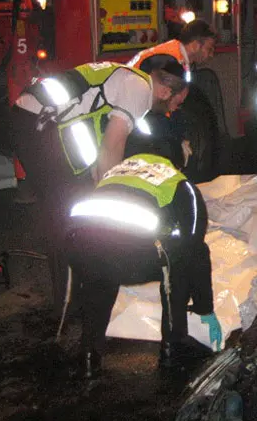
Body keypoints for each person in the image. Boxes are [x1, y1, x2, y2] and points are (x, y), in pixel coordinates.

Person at [11, 55, 190, 310]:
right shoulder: (140, 89)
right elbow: (113, 144)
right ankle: (69, 301)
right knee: (64, 208)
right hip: (38, 120)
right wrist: (113, 196)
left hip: (35, 117)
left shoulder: (125, 82)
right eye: (175, 101)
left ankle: (79, 286)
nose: (173, 109)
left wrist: (100, 180)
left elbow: (100, 143)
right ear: (163, 89)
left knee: (74, 201)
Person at [66, 141, 219, 378]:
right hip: (129, 255)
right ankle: (173, 346)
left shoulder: (119, 170)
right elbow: (194, 247)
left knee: (100, 273)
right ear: (177, 162)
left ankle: (88, 355)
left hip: (79, 248)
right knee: (179, 260)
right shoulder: (179, 182)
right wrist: (204, 307)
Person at [128, 19, 216, 79]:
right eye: (209, 49)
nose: (211, 55)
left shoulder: (173, 53)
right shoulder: (170, 61)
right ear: (195, 45)